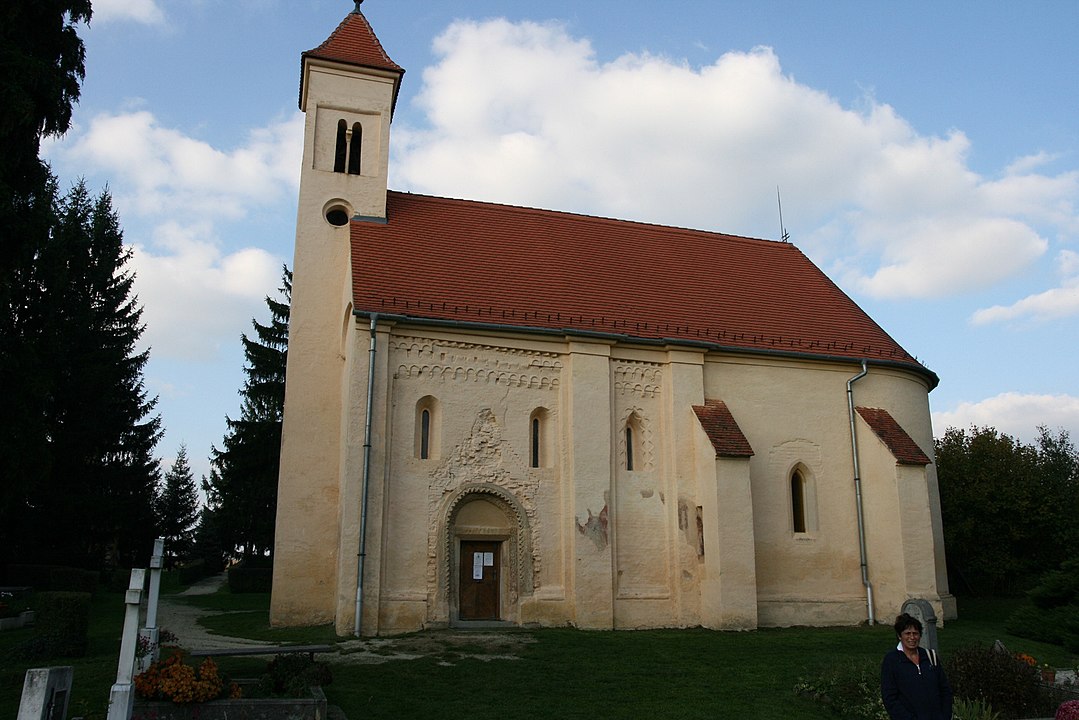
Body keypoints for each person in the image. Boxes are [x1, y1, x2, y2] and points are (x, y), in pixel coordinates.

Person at [881, 613, 953, 720]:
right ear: (899, 636)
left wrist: (945, 716)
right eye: (907, 633)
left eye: (915, 633)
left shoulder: (930, 656)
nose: (912, 637)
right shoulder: (892, 661)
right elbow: (890, 698)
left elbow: (945, 689)